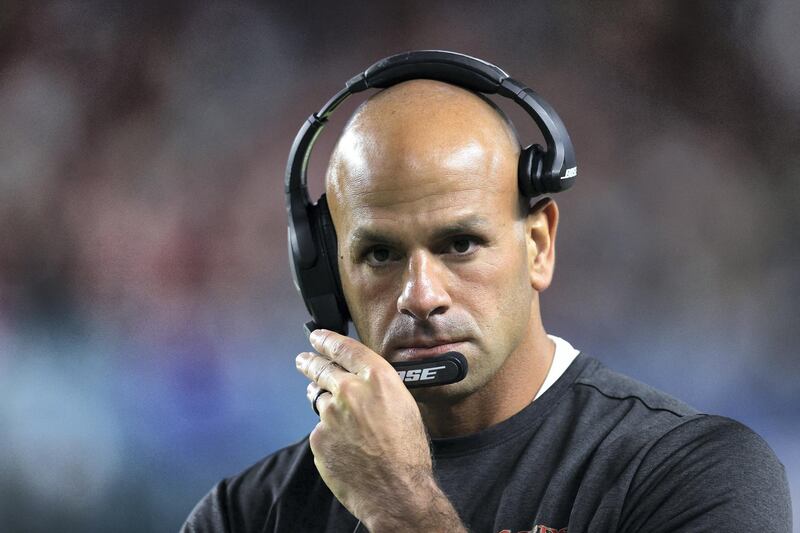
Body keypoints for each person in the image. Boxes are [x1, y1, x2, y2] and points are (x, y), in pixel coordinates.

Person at [182, 70, 792, 531]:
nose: (420, 296)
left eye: (459, 243)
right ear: (326, 276)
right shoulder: (244, 513)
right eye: (380, 255)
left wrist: (405, 510)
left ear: (538, 245)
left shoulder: (696, 474)